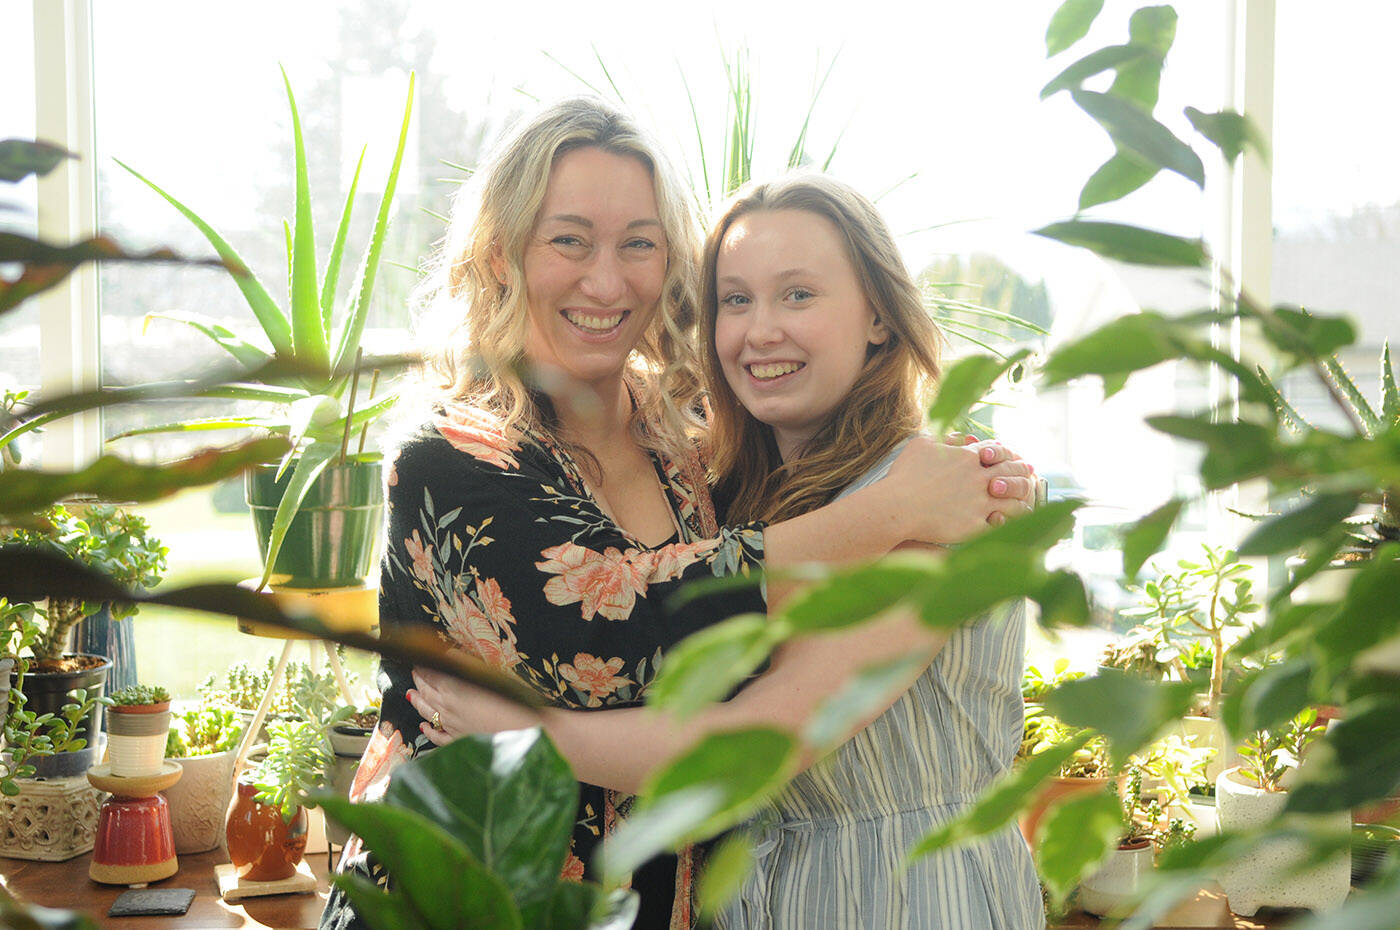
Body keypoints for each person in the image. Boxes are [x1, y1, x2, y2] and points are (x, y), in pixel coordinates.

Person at [320, 98, 1035, 930]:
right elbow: (609, 617)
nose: (608, 279)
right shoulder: (454, 451)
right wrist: (892, 510)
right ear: (498, 252)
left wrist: (927, 493)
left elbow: (753, 689)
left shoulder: (684, 443)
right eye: (569, 239)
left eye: (639, 244)